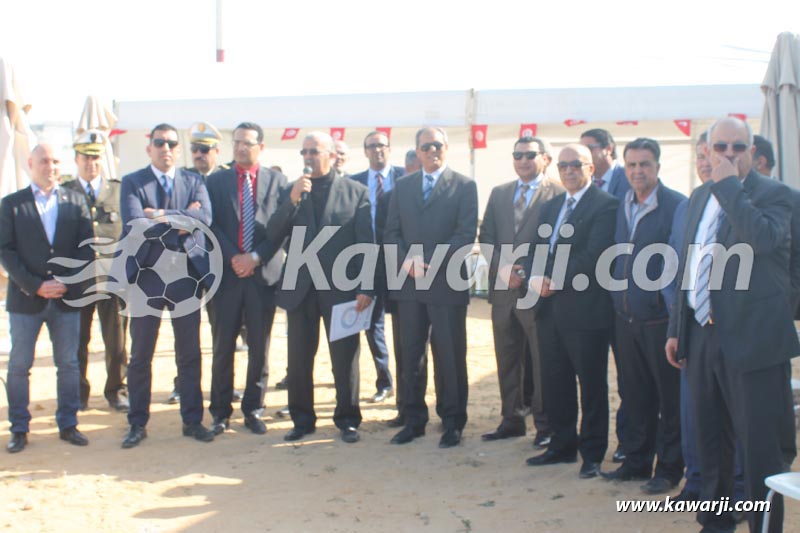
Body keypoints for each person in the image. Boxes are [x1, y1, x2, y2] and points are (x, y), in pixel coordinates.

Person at [666, 116, 798, 532]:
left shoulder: (777, 195)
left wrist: (729, 187)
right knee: (709, 444)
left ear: (753, 151)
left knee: (760, 451)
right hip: (702, 335)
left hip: (755, 342)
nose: (728, 156)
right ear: (706, 151)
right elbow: (690, 266)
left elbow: (761, 239)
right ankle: (716, 524)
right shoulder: (699, 196)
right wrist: (676, 328)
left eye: (737, 148)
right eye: (720, 148)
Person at [266, 131, 373, 444]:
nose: (308, 157)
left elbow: (366, 242)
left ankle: (348, 419)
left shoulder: (356, 192)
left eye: (314, 151)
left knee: (345, 357)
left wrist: (366, 285)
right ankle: (302, 418)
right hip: (301, 289)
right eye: (304, 152)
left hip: (341, 289)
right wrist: (292, 199)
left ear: (332, 155)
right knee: (299, 358)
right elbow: (273, 232)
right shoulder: (293, 191)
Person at [524, 143, 618, 479]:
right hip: (549, 309)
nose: (568, 171)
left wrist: (552, 277)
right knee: (555, 383)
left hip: (586, 312)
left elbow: (594, 256)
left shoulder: (606, 206)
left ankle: (592, 454)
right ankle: (561, 446)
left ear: (590, 168)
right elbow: (535, 248)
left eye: (575, 165)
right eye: (563, 166)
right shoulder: (550, 207)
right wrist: (536, 276)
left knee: (591, 386)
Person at [119, 123, 215, 448]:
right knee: (141, 355)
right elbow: (137, 224)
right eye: (159, 142)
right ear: (149, 148)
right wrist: (182, 219)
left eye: (172, 143)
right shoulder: (133, 182)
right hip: (146, 279)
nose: (166, 148)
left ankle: (192, 421)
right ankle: (137, 423)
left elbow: (205, 220)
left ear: (178, 148)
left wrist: (159, 214)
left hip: (186, 278)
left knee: (189, 354)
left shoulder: (194, 180)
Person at [384, 126, 478, 448]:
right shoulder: (403, 186)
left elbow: (466, 235)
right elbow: (390, 233)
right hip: (408, 284)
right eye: (426, 147)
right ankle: (413, 419)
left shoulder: (465, 186)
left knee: (450, 355)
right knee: (410, 354)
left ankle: (452, 422)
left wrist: (431, 263)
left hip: (445, 283)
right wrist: (406, 261)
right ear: (417, 151)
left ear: (447, 148)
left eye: (437, 145)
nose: (432, 151)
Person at [602, 138, 686, 494]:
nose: (638, 171)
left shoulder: (676, 206)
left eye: (645, 164)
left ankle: (668, 469)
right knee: (634, 395)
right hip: (625, 320)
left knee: (669, 401)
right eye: (632, 164)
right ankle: (636, 462)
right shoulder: (620, 204)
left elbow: (679, 269)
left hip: (658, 323)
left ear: (658, 167)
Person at [0, 143, 94, 453]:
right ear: (30, 163)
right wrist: (36, 285)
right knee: (19, 366)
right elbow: (6, 251)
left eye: (55, 161)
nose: (50, 166)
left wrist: (65, 282)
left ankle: (68, 424)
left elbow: (86, 247)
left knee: (68, 364)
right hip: (26, 301)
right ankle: (19, 427)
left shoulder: (75, 202)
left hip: (65, 300)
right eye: (44, 161)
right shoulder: (12, 204)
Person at [478, 136, 563, 446]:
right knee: (507, 356)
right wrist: (501, 267)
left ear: (545, 159)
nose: (523, 160)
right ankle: (511, 419)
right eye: (517, 154)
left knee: (541, 361)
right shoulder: (500, 193)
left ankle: (544, 425)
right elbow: (486, 235)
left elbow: (557, 242)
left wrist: (527, 273)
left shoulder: (558, 194)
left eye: (529, 155)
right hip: (503, 291)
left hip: (536, 292)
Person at [206, 122, 287, 436]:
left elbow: (281, 229)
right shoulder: (216, 182)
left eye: (247, 143)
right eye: (237, 142)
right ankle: (220, 412)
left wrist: (255, 258)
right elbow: (211, 226)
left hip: (262, 277)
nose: (241, 147)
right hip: (226, 278)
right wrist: (235, 258)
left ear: (261, 147)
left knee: (258, 348)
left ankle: (253, 409)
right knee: (222, 346)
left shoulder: (278, 182)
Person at [61, 130, 129, 412]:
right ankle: (79, 393)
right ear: (76, 159)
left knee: (117, 342)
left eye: (96, 157)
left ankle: (117, 390)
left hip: (113, 279)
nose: (91, 163)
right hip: (77, 281)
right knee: (77, 341)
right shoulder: (65, 193)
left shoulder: (118, 189)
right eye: (86, 157)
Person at [580, 127, 630, 463]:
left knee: (629, 375)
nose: (584, 157)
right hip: (590, 301)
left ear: (608, 150)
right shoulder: (580, 189)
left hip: (624, 295)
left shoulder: (629, 182)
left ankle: (628, 440)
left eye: (590, 149)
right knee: (594, 374)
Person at [349, 130, 405, 404]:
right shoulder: (354, 182)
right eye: (372, 146)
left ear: (389, 149)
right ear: (365, 151)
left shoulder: (407, 178)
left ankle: (409, 386)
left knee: (408, 326)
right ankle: (385, 381)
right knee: (373, 325)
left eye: (382, 146)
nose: (377, 150)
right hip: (368, 261)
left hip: (401, 261)